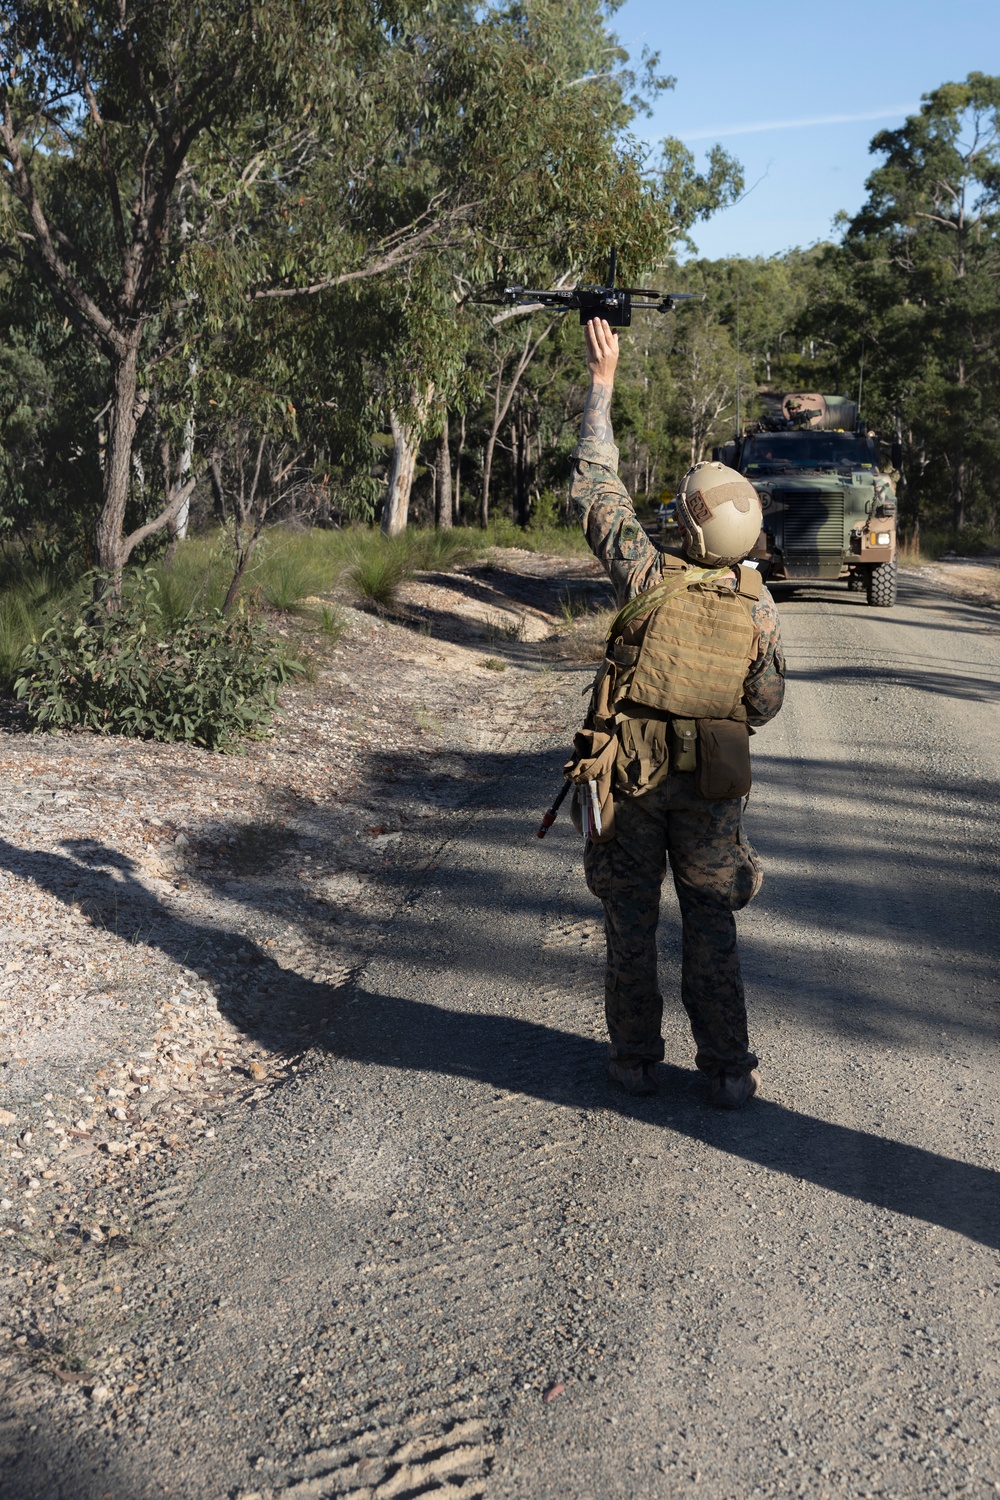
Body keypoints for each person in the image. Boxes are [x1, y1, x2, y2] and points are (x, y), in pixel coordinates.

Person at [570, 317, 785, 1108]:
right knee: (712, 925)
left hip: (630, 777)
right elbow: (763, 703)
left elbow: (595, 484)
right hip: (709, 790)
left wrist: (604, 384)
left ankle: (634, 1060)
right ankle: (727, 1069)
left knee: (630, 922)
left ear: (688, 522)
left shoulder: (644, 575)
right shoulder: (758, 611)